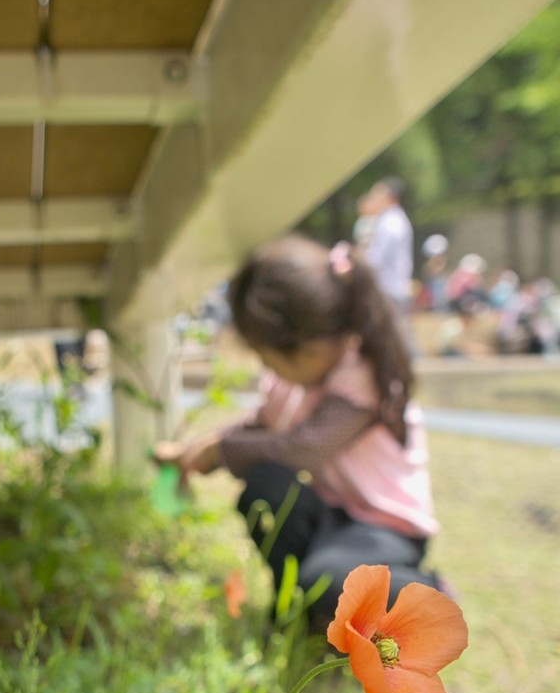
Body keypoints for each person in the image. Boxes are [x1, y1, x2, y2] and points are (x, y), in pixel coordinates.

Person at [156, 233, 443, 631]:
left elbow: (305, 447)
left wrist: (219, 450)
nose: (267, 368)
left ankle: (426, 592)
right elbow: (259, 431)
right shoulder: (296, 379)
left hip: (384, 528)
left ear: (308, 350)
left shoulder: (362, 376)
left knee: (325, 580)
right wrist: (196, 451)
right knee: (266, 483)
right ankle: (300, 607)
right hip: (332, 513)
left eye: (266, 357)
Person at [363, 177, 414, 315]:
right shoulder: (397, 219)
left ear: (389, 197)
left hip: (388, 289)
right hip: (397, 287)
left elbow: (376, 258)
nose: (374, 198)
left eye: (377, 194)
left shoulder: (388, 222)